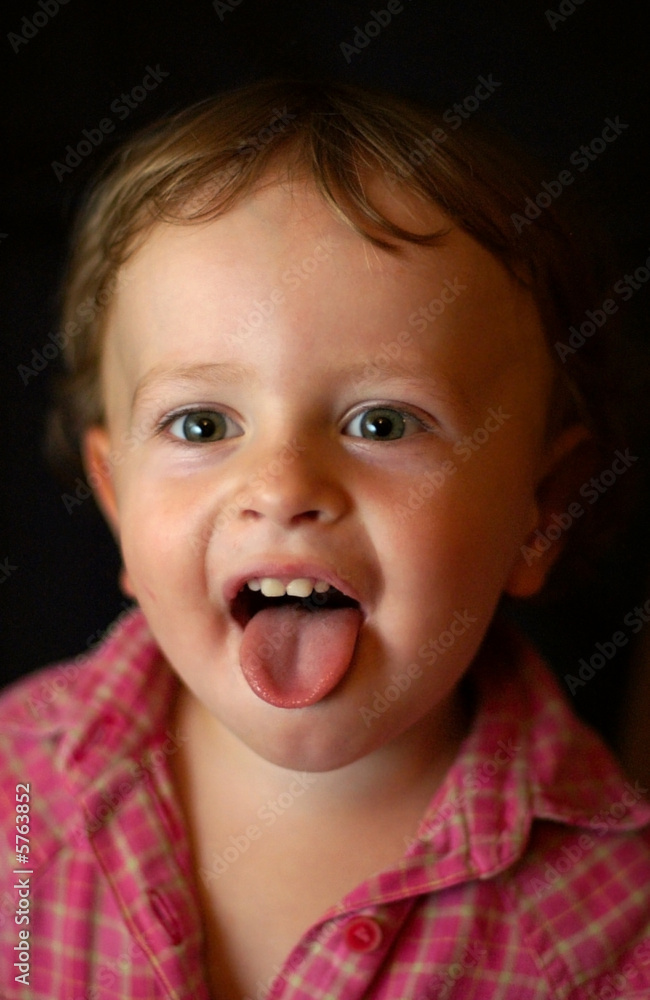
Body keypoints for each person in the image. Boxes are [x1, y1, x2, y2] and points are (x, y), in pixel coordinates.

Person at [1, 78, 649, 1000]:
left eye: (382, 423)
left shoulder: (613, 927)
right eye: (200, 426)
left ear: (541, 509)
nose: (281, 488)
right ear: (116, 503)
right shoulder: (15, 796)